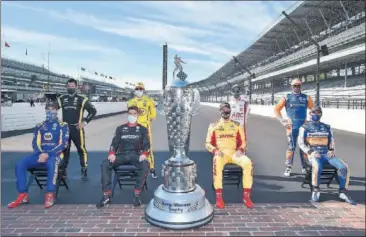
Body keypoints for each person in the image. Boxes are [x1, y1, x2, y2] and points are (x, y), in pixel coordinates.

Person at [7, 101, 69, 209]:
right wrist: (41, 154)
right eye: (48, 109)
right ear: (45, 111)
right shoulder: (40, 126)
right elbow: (35, 143)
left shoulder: (63, 126)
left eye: (52, 109)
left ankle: (50, 194)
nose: (50, 112)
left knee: (52, 163)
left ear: (57, 111)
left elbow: (63, 144)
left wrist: (48, 154)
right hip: (39, 154)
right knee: (20, 164)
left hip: (56, 155)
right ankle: (23, 194)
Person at [298, 106, 356, 205]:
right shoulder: (304, 128)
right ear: (310, 114)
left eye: (318, 112)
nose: (316, 114)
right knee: (317, 166)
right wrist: (310, 151)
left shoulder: (327, 127)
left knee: (344, 167)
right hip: (314, 153)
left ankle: (343, 191)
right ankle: (316, 190)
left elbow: (332, 140)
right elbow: (301, 143)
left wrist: (331, 149)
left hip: (326, 153)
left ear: (321, 114)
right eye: (314, 112)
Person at [97, 106, 150, 208]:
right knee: (105, 163)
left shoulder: (143, 129)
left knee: (145, 165)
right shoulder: (120, 128)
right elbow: (114, 143)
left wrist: (144, 154)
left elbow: (146, 145)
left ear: (138, 115)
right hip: (122, 155)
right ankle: (106, 195)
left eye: (134, 113)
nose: (132, 115)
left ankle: (137, 194)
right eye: (130, 113)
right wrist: (111, 153)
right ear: (128, 114)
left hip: (135, 155)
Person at [205, 102, 254, 209]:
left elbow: (244, 142)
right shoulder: (213, 126)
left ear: (230, 111)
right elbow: (207, 143)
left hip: (234, 153)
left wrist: (241, 149)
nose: (226, 112)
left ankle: (246, 196)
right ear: (220, 111)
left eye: (227, 110)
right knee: (216, 163)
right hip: (221, 154)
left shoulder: (237, 125)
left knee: (248, 163)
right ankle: (219, 198)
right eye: (223, 110)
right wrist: (214, 150)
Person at [57, 78, 97, 180]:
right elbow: (52, 109)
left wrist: (85, 122)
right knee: (64, 150)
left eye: (72, 86)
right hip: (65, 129)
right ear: (66, 87)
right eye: (69, 86)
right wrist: (55, 121)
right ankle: (63, 170)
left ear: (76, 87)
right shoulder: (62, 98)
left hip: (77, 129)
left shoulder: (82, 99)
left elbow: (93, 111)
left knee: (81, 149)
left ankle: (84, 169)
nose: (70, 88)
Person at [274, 78, 314, 177]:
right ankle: (288, 166)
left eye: (298, 85)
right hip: (291, 127)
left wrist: (311, 120)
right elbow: (276, 109)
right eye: (295, 85)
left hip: (303, 128)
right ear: (291, 86)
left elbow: (313, 109)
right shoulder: (286, 97)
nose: (297, 87)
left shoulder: (306, 97)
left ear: (301, 86)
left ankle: (304, 166)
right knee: (291, 147)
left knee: (303, 147)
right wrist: (282, 121)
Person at [127, 82, 157, 178]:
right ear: (135, 90)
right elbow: (130, 114)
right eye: (137, 88)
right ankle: (135, 169)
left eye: (140, 88)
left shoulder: (149, 101)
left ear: (143, 90)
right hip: (134, 127)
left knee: (147, 147)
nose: (138, 90)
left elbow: (153, 114)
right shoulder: (130, 102)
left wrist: (147, 121)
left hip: (145, 128)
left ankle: (151, 168)